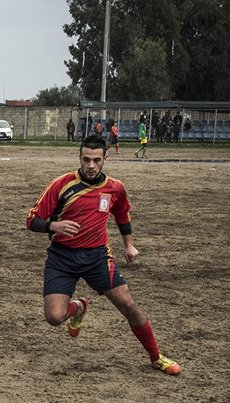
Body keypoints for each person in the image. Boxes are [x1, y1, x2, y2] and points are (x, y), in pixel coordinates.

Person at [25, 134, 181, 376]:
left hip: (97, 257)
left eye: (96, 160)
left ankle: (156, 357)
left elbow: (122, 214)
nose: (90, 165)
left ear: (105, 159)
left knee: (129, 305)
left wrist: (129, 245)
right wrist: (53, 226)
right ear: (79, 158)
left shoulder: (115, 188)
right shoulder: (61, 185)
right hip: (61, 258)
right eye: (86, 159)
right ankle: (77, 308)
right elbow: (31, 220)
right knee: (55, 317)